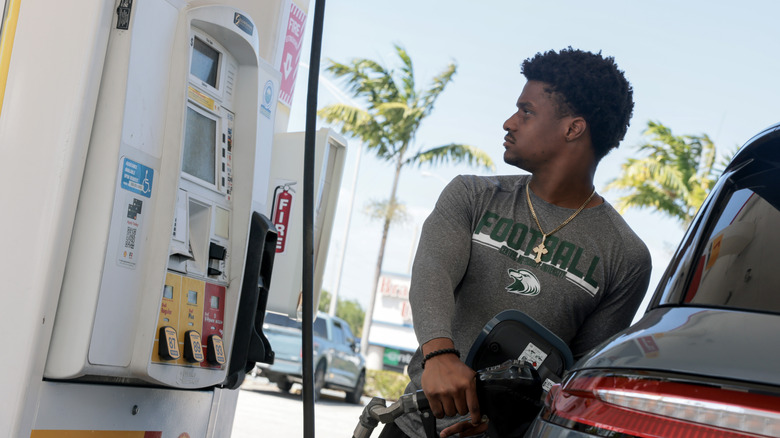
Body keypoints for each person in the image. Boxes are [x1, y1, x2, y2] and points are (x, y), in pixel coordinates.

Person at [380, 47, 652, 438]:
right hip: (413, 427)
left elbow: (577, 382)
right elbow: (432, 273)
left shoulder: (625, 256)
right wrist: (438, 354)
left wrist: (502, 425)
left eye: (526, 111)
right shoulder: (472, 195)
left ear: (573, 129)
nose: (509, 122)